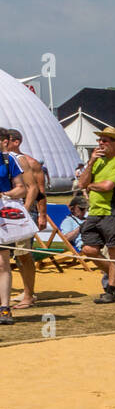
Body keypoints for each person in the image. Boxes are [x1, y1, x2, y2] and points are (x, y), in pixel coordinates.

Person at [74, 125, 115, 303]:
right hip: (95, 211)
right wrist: (91, 162)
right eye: (100, 140)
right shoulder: (98, 161)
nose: (101, 143)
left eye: (105, 140)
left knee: (114, 249)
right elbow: (81, 183)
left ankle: (112, 289)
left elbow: (107, 186)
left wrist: (90, 185)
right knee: (88, 249)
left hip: (112, 211)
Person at [2, 129, 43, 310]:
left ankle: (28, 294)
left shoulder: (20, 160)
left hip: (18, 211)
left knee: (23, 255)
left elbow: (33, 188)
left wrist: (24, 212)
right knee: (5, 258)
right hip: (9, 211)